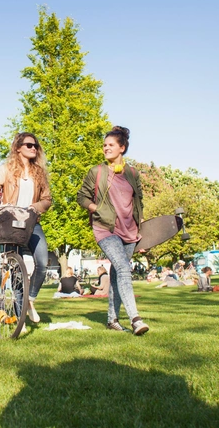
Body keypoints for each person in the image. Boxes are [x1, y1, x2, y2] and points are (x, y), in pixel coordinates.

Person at [77, 126, 149, 336]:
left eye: (111, 145)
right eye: (104, 145)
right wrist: (95, 208)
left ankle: (112, 319)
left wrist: (140, 225)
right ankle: (135, 319)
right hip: (105, 228)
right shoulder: (96, 172)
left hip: (130, 231)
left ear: (122, 148)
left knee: (118, 273)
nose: (106, 148)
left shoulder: (132, 173)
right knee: (123, 269)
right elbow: (82, 197)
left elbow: (139, 200)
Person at [0, 132, 52, 326]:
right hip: (10, 222)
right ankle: (19, 317)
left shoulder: (39, 173)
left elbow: (47, 199)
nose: (33, 148)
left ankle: (30, 299)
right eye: (29, 145)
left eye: (35, 146)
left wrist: (35, 207)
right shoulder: (6, 169)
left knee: (43, 261)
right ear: (18, 147)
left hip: (31, 222)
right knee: (16, 270)